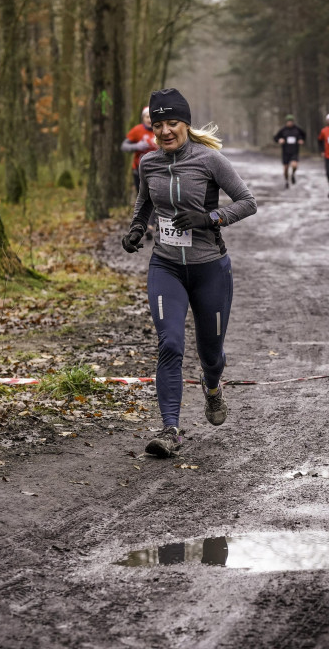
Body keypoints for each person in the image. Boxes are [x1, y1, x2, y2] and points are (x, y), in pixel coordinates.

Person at [121, 88, 257, 458]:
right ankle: (170, 429)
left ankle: (212, 389)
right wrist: (136, 230)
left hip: (209, 268)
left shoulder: (210, 160)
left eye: (172, 123)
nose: (165, 131)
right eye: (159, 124)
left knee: (210, 355)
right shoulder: (148, 163)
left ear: (186, 124)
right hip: (165, 266)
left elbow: (248, 202)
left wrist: (210, 217)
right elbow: (143, 204)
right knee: (170, 344)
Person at [121, 107, 158, 237]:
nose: (149, 119)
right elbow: (124, 146)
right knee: (142, 196)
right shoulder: (137, 130)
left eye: (151, 116)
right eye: (147, 117)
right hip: (138, 170)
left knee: (153, 196)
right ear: (143, 118)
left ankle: (150, 225)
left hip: (157, 170)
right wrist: (137, 146)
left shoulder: (160, 130)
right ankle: (143, 223)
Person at [273, 115, 305, 189]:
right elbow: (275, 138)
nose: (290, 123)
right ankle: (287, 181)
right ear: (286, 122)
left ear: (293, 122)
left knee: (294, 165)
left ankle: (293, 174)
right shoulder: (283, 130)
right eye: (288, 122)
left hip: (294, 151)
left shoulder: (298, 129)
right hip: (285, 152)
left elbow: (303, 135)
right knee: (286, 168)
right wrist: (279, 140)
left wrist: (301, 140)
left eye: (291, 122)